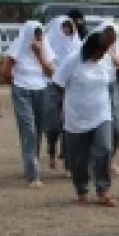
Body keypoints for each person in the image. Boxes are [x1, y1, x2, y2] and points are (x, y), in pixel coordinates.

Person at [53, 31, 116, 207]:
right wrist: (62, 109)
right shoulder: (72, 61)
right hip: (77, 117)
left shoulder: (106, 61)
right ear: (90, 49)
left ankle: (103, 190)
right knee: (78, 158)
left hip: (102, 114)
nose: (101, 55)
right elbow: (57, 85)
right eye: (99, 52)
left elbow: (109, 85)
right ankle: (81, 191)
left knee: (105, 149)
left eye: (104, 52)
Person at [1, 20, 56, 187]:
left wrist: (39, 55)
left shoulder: (45, 47)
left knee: (38, 129)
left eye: (40, 35)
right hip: (22, 91)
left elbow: (50, 72)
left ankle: (32, 164)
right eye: (35, 35)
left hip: (41, 90)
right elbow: (5, 71)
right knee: (29, 130)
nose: (38, 38)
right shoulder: (17, 47)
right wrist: (16, 83)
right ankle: (33, 175)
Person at [44, 16, 81, 172]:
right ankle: (52, 151)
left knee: (69, 125)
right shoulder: (48, 44)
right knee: (53, 125)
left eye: (69, 28)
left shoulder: (78, 45)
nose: (66, 31)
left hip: (71, 87)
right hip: (52, 85)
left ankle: (67, 159)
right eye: (63, 27)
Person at [91, 21, 119, 176]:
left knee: (117, 129)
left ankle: (108, 159)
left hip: (112, 86)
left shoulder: (116, 45)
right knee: (96, 126)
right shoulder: (93, 45)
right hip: (95, 87)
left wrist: (112, 54)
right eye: (109, 36)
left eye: (113, 37)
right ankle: (95, 161)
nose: (112, 40)